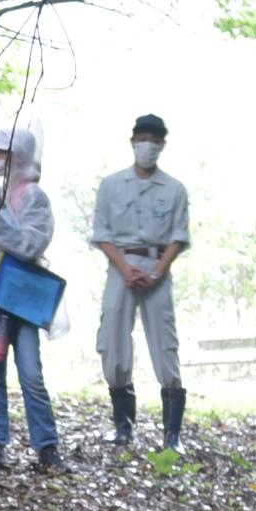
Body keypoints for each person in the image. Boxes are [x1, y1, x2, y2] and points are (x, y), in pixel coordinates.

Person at [89, 110, 193, 452]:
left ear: (162, 144)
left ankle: (172, 435)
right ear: (132, 141)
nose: (147, 145)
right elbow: (102, 233)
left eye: (153, 140)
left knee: (165, 343)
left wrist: (157, 270)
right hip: (121, 265)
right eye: (141, 139)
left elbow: (179, 236)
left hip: (157, 266)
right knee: (113, 343)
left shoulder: (174, 189)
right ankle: (123, 426)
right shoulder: (111, 185)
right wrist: (124, 267)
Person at [0, 122, 62, 473]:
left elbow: (30, 244)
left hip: (21, 298)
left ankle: (47, 448)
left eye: (0, 152)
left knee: (31, 373)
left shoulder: (36, 198)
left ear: (18, 156)